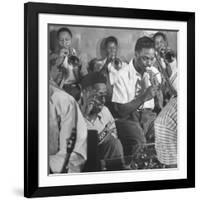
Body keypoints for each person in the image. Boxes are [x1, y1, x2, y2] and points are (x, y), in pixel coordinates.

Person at [112, 36, 162, 166]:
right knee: (140, 144)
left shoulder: (154, 72)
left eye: (152, 59)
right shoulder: (121, 75)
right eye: (145, 58)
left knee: (164, 134)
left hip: (148, 116)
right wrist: (144, 96)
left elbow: (159, 107)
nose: (149, 63)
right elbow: (121, 111)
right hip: (128, 118)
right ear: (136, 54)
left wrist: (158, 93)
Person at [48, 54, 87, 173]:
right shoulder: (62, 99)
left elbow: (75, 152)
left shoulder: (65, 99)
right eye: (60, 68)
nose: (63, 72)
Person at [80, 72, 127, 170]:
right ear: (85, 93)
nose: (103, 100)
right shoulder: (72, 114)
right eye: (99, 95)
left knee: (114, 143)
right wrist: (84, 116)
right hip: (85, 165)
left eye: (104, 95)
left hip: (107, 161)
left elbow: (114, 137)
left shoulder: (105, 111)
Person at [50, 27, 84, 101]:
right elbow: (51, 78)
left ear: (71, 40)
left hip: (77, 88)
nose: (64, 42)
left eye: (67, 40)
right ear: (57, 41)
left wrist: (80, 64)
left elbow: (84, 74)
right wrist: (59, 59)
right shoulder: (52, 57)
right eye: (61, 40)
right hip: (61, 89)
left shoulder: (77, 54)